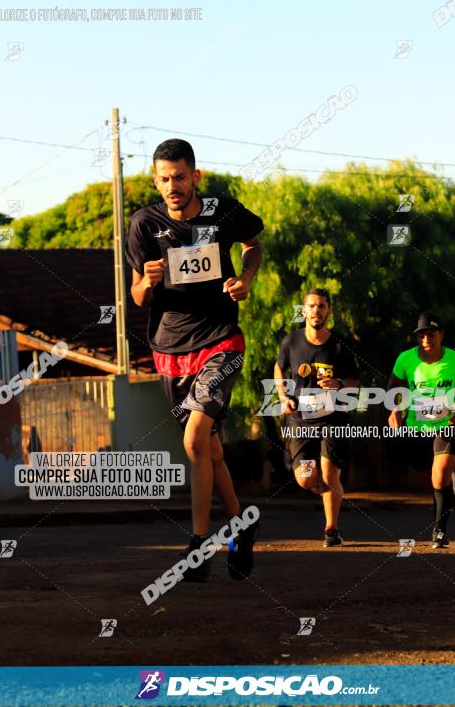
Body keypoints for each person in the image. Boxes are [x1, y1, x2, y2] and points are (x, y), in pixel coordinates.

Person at [126, 138, 263, 582]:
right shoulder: (144, 224)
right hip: (170, 351)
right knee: (211, 450)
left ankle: (199, 544)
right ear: (155, 180)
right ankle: (243, 525)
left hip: (222, 341)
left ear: (195, 177)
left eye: (180, 177)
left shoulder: (221, 210)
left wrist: (245, 278)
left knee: (193, 441)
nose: (172, 186)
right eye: (164, 179)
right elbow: (137, 295)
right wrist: (147, 283)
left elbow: (253, 244)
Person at [274, 288, 359, 547]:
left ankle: (331, 530)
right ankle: (331, 492)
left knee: (330, 474)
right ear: (304, 310)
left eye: (321, 306)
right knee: (306, 478)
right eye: (311, 306)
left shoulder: (340, 345)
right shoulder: (291, 341)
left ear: (328, 311)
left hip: (333, 418)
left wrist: (338, 382)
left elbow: (355, 384)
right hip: (300, 420)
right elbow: (279, 368)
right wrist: (282, 396)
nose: (316, 310)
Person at [387, 312, 455, 549]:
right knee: (422, 469)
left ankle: (439, 531)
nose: (426, 339)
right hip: (416, 426)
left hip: (448, 424)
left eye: (431, 335)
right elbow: (394, 387)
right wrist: (395, 410)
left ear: (441, 335)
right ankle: (449, 490)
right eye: (422, 335)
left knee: (439, 476)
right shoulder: (406, 359)